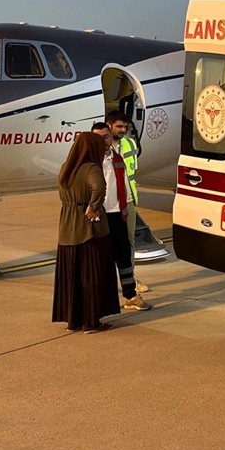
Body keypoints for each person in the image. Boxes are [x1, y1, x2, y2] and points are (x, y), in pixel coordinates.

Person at [52, 132, 120, 332]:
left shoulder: (66, 167)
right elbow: (99, 188)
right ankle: (91, 320)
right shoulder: (91, 167)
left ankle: (74, 320)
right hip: (89, 230)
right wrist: (93, 206)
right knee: (92, 275)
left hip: (67, 227)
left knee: (72, 276)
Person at [99, 120, 151, 312]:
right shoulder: (89, 161)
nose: (103, 140)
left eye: (105, 136)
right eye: (99, 137)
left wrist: (126, 207)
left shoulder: (117, 158)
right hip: (99, 215)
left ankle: (131, 295)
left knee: (124, 255)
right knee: (102, 257)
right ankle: (102, 298)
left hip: (118, 212)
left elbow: (124, 181)